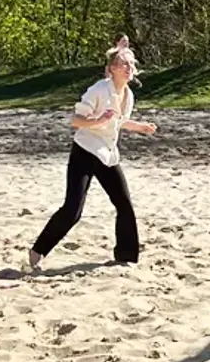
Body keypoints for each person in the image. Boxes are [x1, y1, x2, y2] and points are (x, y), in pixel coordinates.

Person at [26, 47, 156, 271]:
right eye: (125, 63)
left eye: (132, 64)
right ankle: (37, 251)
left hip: (107, 154)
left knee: (124, 204)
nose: (130, 68)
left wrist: (140, 127)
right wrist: (96, 121)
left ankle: (126, 257)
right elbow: (76, 120)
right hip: (85, 150)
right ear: (113, 68)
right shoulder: (98, 89)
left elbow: (119, 121)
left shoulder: (128, 95)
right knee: (73, 210)